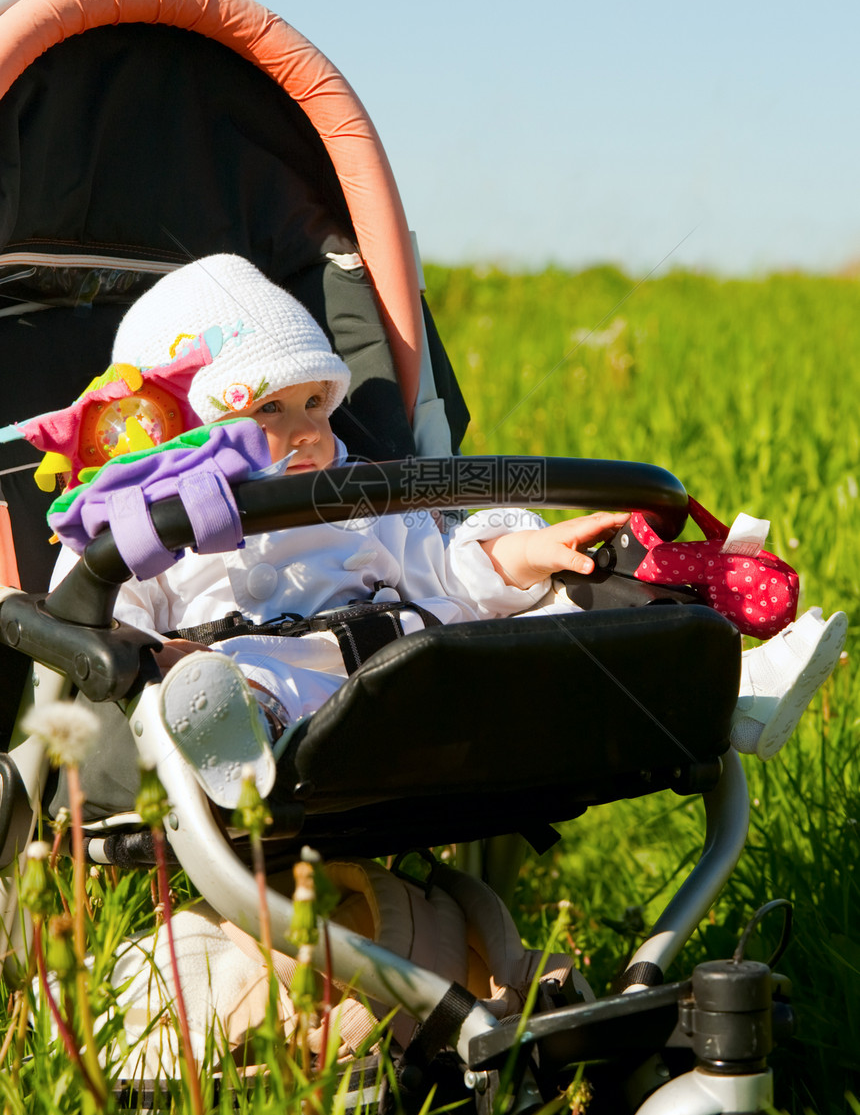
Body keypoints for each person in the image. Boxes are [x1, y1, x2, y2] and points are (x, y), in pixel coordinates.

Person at [51, 254, 848, 806]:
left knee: (564, 608)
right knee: (216, 690)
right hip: (289, 699)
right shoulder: (151, 532)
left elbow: (441, 572)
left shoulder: (354, 495)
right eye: (268, 411)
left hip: (424, 672)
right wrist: (156, 655)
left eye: (316, 405)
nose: (307, 434)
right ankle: (233, 738)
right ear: (187, 429)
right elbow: (93, 612)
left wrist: (522, 554)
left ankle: (723, 689)